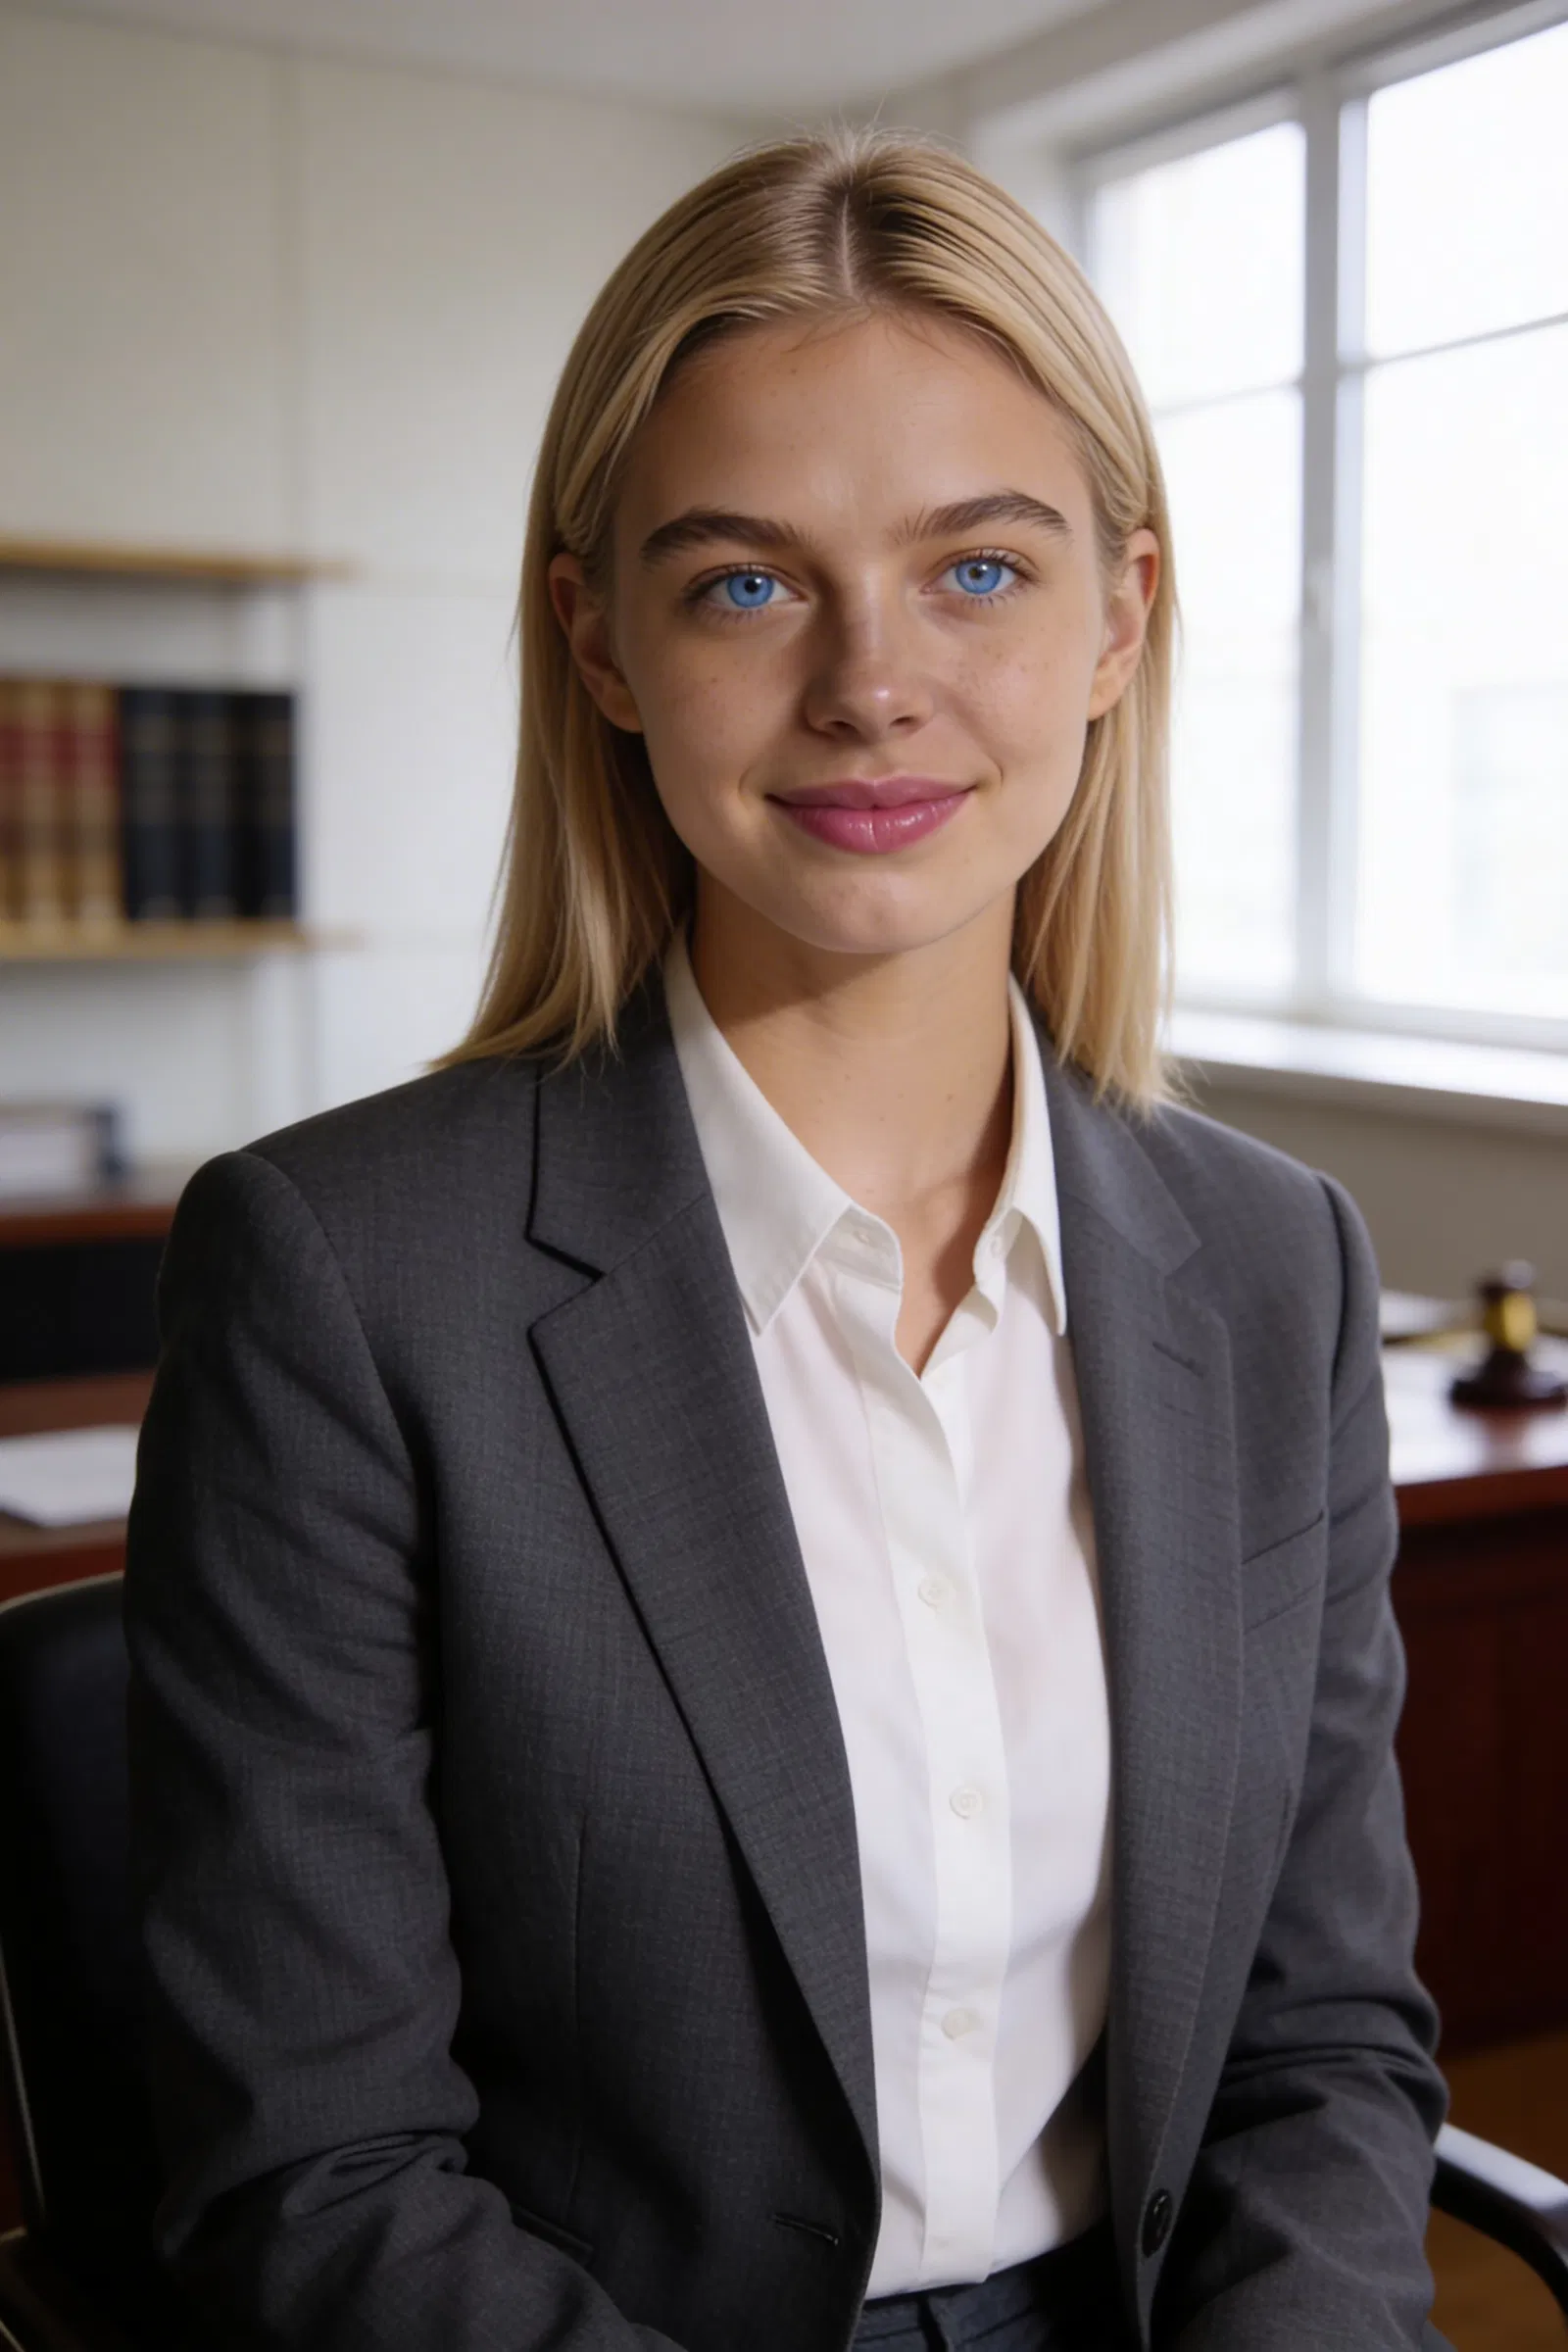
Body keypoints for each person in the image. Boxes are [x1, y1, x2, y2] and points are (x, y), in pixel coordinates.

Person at [124, 125, 1449, 2352]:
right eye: (744, 581)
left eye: (979, 572)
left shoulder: (1272, 1265)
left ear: (1120, 616)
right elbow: (317, 2170)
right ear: (604, 641)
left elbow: (1316, 2049)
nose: (865, 684)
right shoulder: (342, 1281)